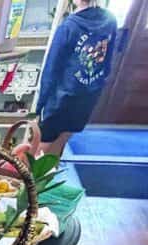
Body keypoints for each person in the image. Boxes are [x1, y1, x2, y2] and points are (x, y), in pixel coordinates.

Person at [36, 0, 118, 156]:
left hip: (62, 96)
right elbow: (108, 63)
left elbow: (51, 67)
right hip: (88, 94)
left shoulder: (69, 26)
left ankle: (31, 178)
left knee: (42, 145)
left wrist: (40, 104)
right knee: (63, 139)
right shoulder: (111, 21)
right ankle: (48, 176)